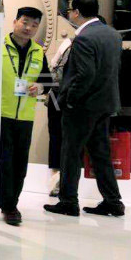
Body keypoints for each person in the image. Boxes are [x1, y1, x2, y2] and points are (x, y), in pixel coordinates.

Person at [45, 0, 124, 217]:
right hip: (105, 104)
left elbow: (85, 75)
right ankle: (113, 201)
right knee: (101, 154)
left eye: (71, 10)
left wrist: (71, 100)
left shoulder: (83, 38)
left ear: (77, 12)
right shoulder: (113, 34)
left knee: (70, 153)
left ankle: (68, 201)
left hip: (82, 107)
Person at [0, 7, 50, 226]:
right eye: (25, 22)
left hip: (25, 115)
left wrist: (39, 87)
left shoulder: (38, 52)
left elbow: (47, 81)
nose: (28, 28)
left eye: (34, 25)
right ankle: (8, 207)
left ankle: (11, 202)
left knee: (19, 163)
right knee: (5, 161)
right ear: (15, 21)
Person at [45, 35, 72, 197]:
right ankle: (58, 182)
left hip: (58, 96)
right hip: (61, 97)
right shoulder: (70, 44)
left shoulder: (67, 43)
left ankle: (59, 182)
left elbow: (54, 71)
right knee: (59, 139)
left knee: (58, 139)